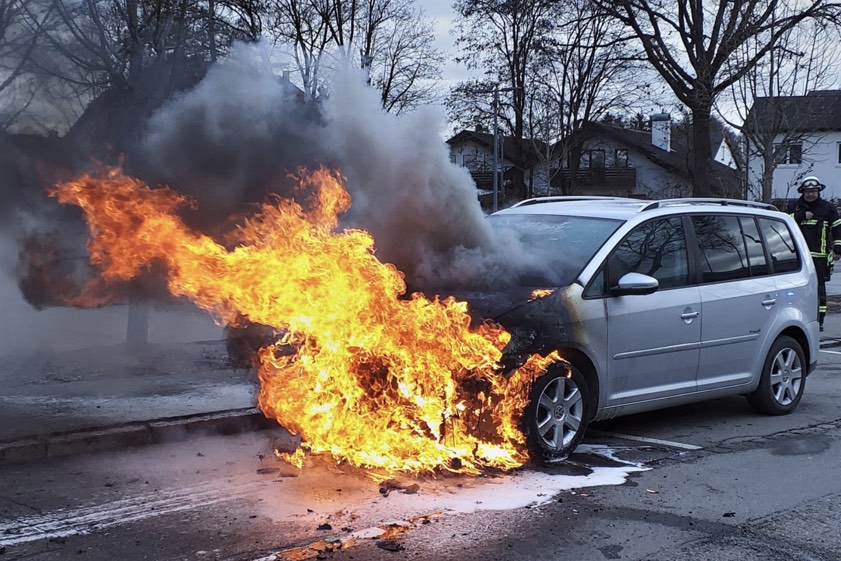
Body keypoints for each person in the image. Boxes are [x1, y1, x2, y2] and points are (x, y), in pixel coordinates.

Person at [787, 175, 841, 331]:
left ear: (818, 191)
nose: (810, 194)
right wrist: (800, 216)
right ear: (802, 192)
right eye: (807, 191)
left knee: (819, 290)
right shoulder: (794, 207)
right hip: (797, 257)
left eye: (813, 191)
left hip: (820, 257)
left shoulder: (828, 208)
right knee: (795, 290)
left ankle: (819, 321)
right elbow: (783, 221)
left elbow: (837, 228)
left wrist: (838, 248)